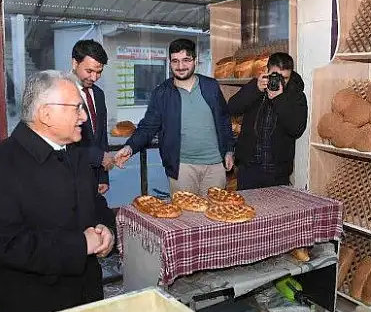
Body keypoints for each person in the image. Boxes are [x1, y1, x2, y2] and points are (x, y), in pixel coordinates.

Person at [0, 70, 115, 312]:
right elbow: (3, 244)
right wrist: (79, 246)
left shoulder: (76, 152)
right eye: (77, 109)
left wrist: (106, 229)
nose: (83, 117)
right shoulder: (1, 163)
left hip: (85, 294)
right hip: (33, 306)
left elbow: (96, 204)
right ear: (46, 114)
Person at [114, 38, 234, 196]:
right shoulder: (162, 93)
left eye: (186, 60)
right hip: (181, 168)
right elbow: (148, 127)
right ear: (170, 63)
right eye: (175, 61)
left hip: (215, 166)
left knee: (215, 216)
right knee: (184, 218)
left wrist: (229, 150)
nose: (181, 66)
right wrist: (129, 147)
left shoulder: (211, 86)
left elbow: (224, 119)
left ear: (195, 61)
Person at [227, 52, 307, 189]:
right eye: (275, 76)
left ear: (291, 75)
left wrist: (279, 99)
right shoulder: (256, 87)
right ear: (266, 71)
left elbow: (296, 129)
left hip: (277, 172)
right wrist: (255, 89)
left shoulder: (296, 96)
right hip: (248, 169)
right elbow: (232, 107)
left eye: (285, 78)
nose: (280, 82)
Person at [70, 40, 116, 228]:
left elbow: (101, 136)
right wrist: (99, 157)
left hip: (93, 178)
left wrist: (102, 176)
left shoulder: (98, 94)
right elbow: (63, 142)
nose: (95, 77)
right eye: (89, 71)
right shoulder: (61, 92)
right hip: (69, 178)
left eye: (99, 72)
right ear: (75, 63)